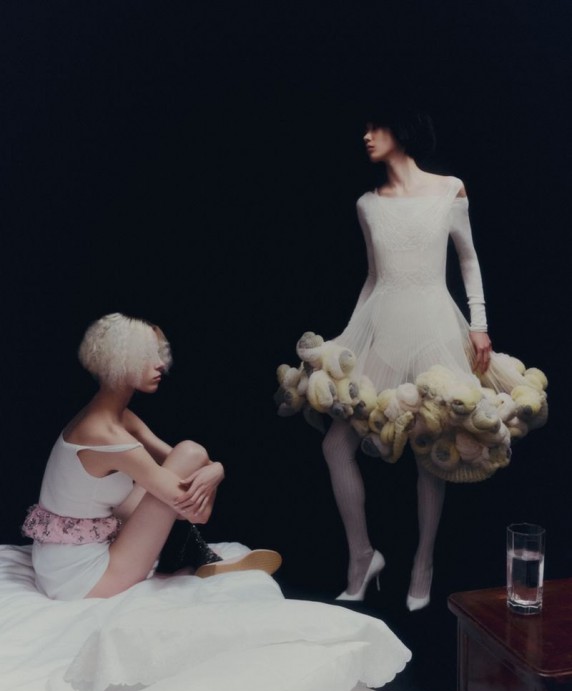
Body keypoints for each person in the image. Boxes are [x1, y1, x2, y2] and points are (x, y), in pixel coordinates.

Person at [278, 107, 546, 610]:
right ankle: (362, 557)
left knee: (431, 445)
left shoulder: (449, 189)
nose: (366, 136)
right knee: (336, 446)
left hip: (434, 326)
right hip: (383, 326)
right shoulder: (367, 204)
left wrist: (479, 323)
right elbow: (373, 277)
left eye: (375, 127)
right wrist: (348, 338)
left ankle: (423, 564)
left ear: (401, 131)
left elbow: (468, 258)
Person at [22, 313, 281, 600]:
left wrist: (216, 468)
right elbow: (197, 513)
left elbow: (182, 465)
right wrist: (213, 471)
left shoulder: (112, 418)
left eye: (159, 354)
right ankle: (190, 554)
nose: (160, 364)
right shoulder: (105, 435)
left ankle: (186, 553)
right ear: (119, 361)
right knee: (190, 453)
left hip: (58, 566)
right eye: (147, 356)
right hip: (82, 580)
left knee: (186, 458)